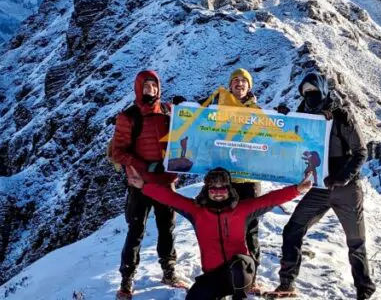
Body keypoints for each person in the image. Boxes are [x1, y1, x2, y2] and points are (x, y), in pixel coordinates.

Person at [126, 165, 312, 300]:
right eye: (213, 189)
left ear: (229, 189)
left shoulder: (242, 209)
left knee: (239, 264)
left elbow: (269, 199)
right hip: (214, 275)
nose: (217, 192)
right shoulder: (197, 212)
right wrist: (143, 186)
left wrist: (297, 190)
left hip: (242, 272)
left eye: (222, 188)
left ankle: (240, 298)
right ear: (206, 190)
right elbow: (171, 198)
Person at [270, 73, 376, 299]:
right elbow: (291, 143)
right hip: (319, 188)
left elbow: (361, 152)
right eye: (305, 92)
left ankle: (364, 291)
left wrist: (343, 177)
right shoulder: (303, 116)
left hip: (346, 189)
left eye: (314, 91)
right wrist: (284, 121)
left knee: (356, 241)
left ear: (323, 90)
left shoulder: (341, 115)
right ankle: (287, 285)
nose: (310, 95)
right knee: (292, 230)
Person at [174, 68, 264, 292]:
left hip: (249, 178)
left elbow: (271, 136)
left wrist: (281, 117)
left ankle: (250, 275)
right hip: (224, 181)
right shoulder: (217, 105)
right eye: (235, 81)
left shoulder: (257, 111)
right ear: (230, 85)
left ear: (249, 86)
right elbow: (198, 116)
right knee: (220, 225)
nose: (239, 84)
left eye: (244, 81)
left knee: (250, 227)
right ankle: (222, 271)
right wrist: (183, 108)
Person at [109, 70, 188, 299]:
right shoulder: (128, 117)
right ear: (138, 87)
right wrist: (143, 167)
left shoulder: (168, 111)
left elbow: (187, 134)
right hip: (140, 183)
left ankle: (168, 269)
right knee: (136, 230)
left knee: (167, 227)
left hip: (164, 182)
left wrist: (187, 112)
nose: (150, 90)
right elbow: (118, 152)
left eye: (154, 86)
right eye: (146, 86)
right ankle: (127, 278)